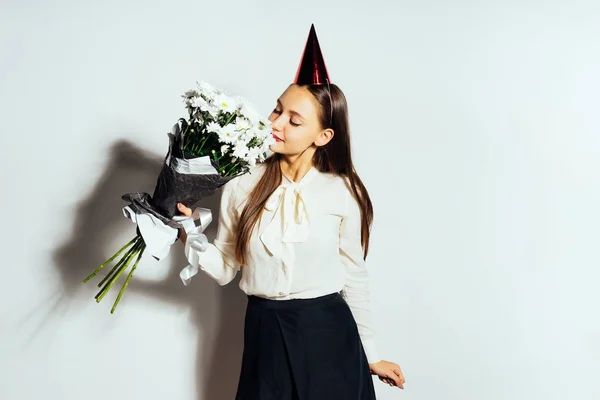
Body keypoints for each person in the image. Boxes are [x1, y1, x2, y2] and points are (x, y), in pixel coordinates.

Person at [176, 24, 405, 399]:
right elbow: (224, 270)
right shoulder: (242, 183)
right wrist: (190, 233)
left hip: (330, 335)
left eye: (294, 120)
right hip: (265, 333)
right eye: (277, 110)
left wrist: (371, 355)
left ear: (323, 136)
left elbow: (353, 275)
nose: (276, 123)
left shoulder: (342, 192)